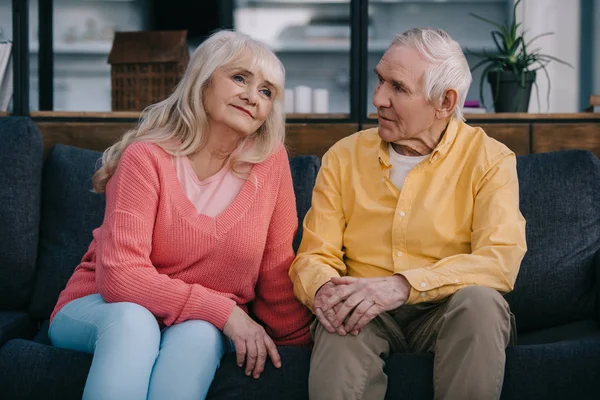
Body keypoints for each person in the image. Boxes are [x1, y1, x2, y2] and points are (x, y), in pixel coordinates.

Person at [49, 30, 312, 400]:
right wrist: (226, 312)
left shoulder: (269, 164)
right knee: (135, 323)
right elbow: (121, 278)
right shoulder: (147, 158)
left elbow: (275, 270)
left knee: (200, 336)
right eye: (240, 78)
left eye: (267, 91)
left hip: (199, 321)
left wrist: (311, 347)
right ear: (203, 80)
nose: (253, 96)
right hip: (104, 308)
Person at [290, 27, 527, 400]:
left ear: (445, 103)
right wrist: (324, 290)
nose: (379, 98)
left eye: (398, 88)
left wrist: (404, 285)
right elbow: (314, 256)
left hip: (448, 311)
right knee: (339, 318)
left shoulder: (490, 160)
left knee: (481, 302)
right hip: (366, 313)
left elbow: (499, 261)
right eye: (380, 80)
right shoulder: (343, 156)